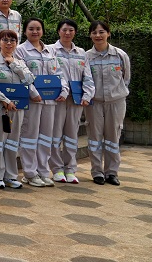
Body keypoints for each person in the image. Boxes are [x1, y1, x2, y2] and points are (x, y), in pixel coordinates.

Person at [15, 18, 66, 188]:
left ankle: (43, 172)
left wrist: (64, 90)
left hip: (50, 101)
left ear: (43, 31)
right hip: (32, 101)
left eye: (38, 28)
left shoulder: (50, 51)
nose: (35, 32)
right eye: (31, 29)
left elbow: (59, 73)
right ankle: (30, 173)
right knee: (29, 136)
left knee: (45, 137)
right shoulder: (20, 51)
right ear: (25, 31)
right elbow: (21, 74)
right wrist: (33, 92)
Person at [0, 29, 37, 190]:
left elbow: (29, 80)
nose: (9, 43)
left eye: (12, 40)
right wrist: (5, 100)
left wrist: (13, 64)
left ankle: (11, 176)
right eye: (5, 40)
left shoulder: (20, 62)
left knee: (13, 143)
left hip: (17, 109)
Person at [85, 20, 131, 186]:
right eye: (94, 32)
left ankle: (111, 172)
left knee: (113, 137)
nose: (98, 35)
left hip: (116, 102)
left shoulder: (120, 55)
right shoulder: (86, 57)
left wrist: (117, 94)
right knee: (95, 137)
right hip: (94, 103)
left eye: (102, 32)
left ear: (108, 33)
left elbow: (126, 78)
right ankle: (97, 172)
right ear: (90, 35)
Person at [50, 20, 95, 184]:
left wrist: (87, 95)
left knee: (71, 135)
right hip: (57, 99)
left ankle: (70, 169)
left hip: (76, 100)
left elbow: (87, 76)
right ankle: (57, 169)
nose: (67, 33)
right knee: (55, 134)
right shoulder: (51, 50)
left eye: (71, 30)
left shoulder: (81, 53)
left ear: (75, 32)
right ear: (58, 31)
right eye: (64, 30)